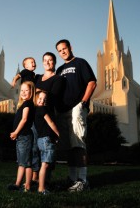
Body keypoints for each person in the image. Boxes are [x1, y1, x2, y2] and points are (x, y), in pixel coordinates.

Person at [55, 39, 97, 192]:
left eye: (64, 48)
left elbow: (92, 83)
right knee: (69, 147)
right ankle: (72, 179)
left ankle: (83, 180)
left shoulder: (80, 63)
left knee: (78, 143)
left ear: (70, 48)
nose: (62, 52)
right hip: (62, 111)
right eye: (59, 50)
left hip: (76, 109)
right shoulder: (59, 69)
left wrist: (82, 103)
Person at [34, 52, 64, 184]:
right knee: (34, 149)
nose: (47, 62)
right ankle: (34, 180)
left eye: (50, 60)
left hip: (47, 117)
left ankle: (47, 181)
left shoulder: (58, 79)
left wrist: (38, 92)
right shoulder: (37, 78)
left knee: (47, 149)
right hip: (35, 118)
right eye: (45, 60)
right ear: (42, 62)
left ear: (54, 62)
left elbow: (53, 96)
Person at [8, 81, 36, 192]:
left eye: (26, 90)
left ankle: (27, 186)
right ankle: (17, 184)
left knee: (26, 163)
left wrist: (16, 132)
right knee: (22, 162)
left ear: (31, 92)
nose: (23, 93)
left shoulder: (28, 104)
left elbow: (24, 120)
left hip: (24, 136)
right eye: (22, 90)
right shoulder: (23, 104)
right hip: (21, 137)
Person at [34, 90, 60, 194]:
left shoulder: (37, 110)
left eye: (45, 100)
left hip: (42, 140)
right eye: (40, 99)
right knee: (45, 165)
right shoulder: (42, 109)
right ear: (36, 99)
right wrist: (58, 133)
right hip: (46, 140)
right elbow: (50, 122)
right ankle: (41, 188)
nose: (42, 101)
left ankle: (44, 185)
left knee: (45, 164)